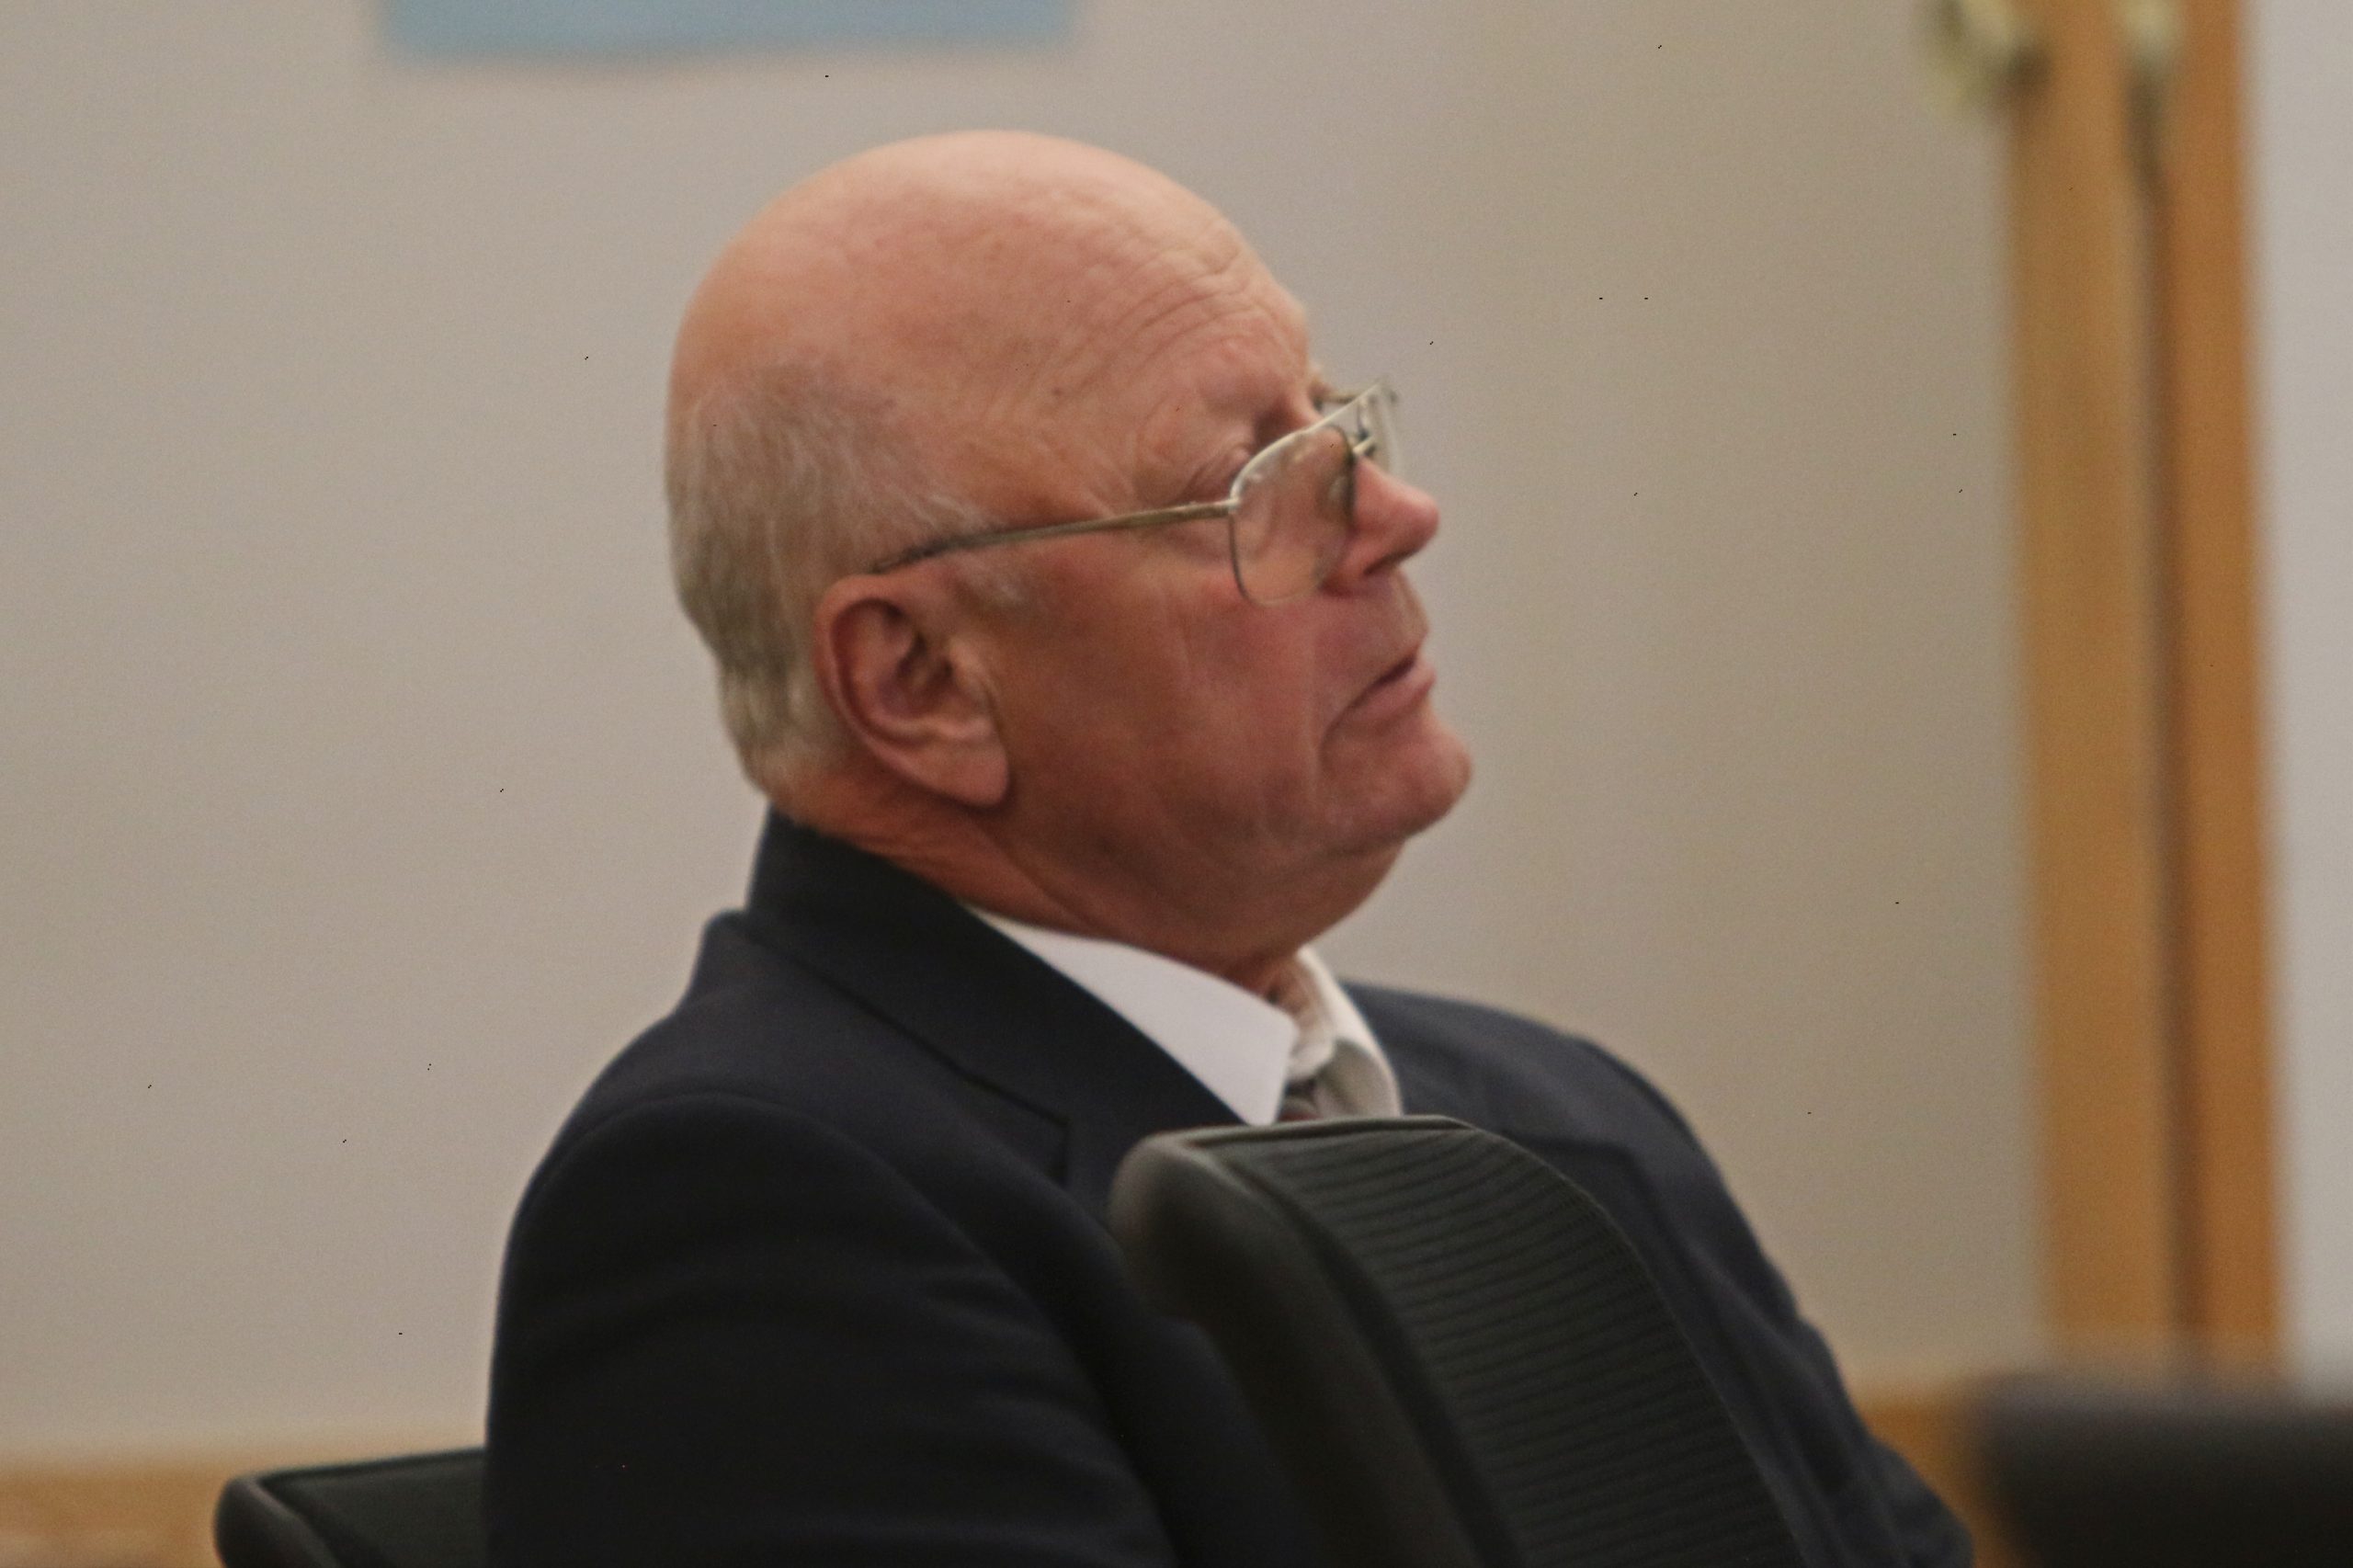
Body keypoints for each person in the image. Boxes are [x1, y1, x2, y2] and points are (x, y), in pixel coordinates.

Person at [485, 131, 1971, 1567]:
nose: (1397, 515)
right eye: (1261, 484)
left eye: (1340, 427)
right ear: (923, 684)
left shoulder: (1564, 1114)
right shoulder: (764, 1209)